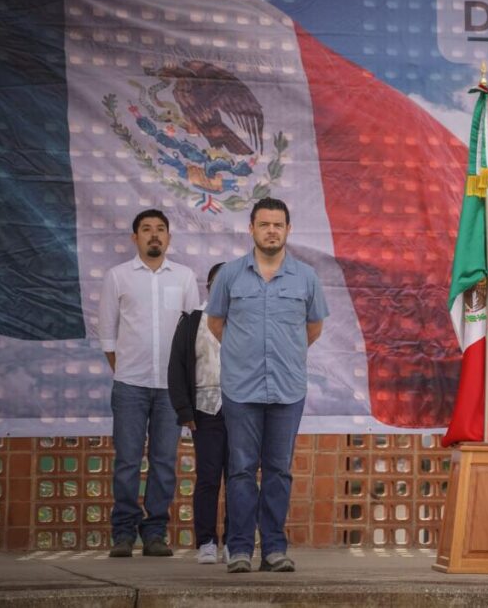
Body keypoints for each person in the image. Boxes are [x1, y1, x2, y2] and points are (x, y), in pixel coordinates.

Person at [206, 198, 327, 573]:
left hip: (288, 389)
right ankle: (239, 549)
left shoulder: (306, 277)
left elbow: (313, 327)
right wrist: (246, 356)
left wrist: (283, 355)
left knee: (279, 470)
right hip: (240, 389)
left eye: (278, 224)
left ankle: (274, 549)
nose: (271, 230)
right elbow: (216, 323)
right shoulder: (229, 275)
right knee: (240, 469)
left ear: (288, 229)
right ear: (251, 230)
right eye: (264, 224)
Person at [98, 209, 200, 558]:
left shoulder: (184, 277)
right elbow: (108, 336)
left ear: (169, 238)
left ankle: (155, 532)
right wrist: (125, 370)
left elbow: (191, 335)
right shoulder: (118, 277)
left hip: (171, 390)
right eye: (146, 229)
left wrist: (182, 382)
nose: (153, 235)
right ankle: (123, 534)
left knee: (163, 461)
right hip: (130, 385)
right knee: (127, 460)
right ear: (135, 238)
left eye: (160, 230)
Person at [168, 262, 229, 564]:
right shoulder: (192, 321)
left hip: (242, 411)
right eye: (218, 282)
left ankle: (235, 541)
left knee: (239, 477)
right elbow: (177, 368)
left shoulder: (247, 319)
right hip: (205, 411)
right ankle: (206, 541)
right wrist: (184, 409)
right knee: (207, 477)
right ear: (208, 286)